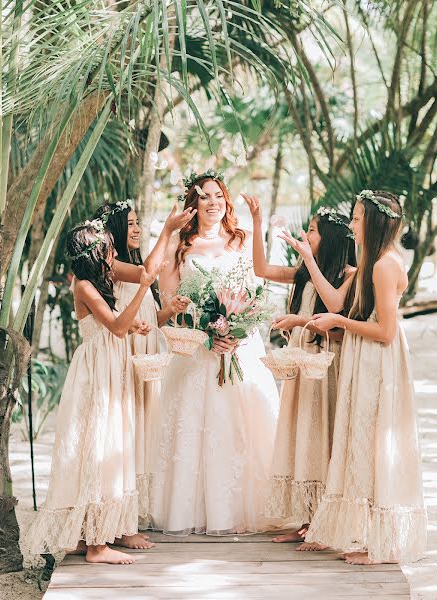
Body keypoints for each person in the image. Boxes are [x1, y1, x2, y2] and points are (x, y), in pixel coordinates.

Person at [281, 190, 427, 564]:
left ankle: (382, 546)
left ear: (375, 223)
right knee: (363, 444)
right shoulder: (373, 261)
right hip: (367, 357)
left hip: (378, 361)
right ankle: (369, 538)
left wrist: (338, 322)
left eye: (358, 218)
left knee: (375, 444)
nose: (352, 225)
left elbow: (386, 331)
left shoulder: (382, 266)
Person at [149, 171, 280, 535]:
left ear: (226, 201)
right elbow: (171, 302)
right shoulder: (179, 244)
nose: (212, 202)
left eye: (218, 196)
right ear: (194, 203)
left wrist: (235, 331)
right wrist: (206, 332)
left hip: (240, 344)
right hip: (196, 349)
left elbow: (256, 290)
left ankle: (243, 508)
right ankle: (196, 511)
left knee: (242, 422)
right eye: (204, 196)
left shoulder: (242, 239)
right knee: (197, 424)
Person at [28, 221, 160, 564]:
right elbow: (114, 328)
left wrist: (135, 324)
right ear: (97, 253)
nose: (115, 254)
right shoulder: (84, 285)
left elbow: (114, 323)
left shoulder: (99, 284)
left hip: (107, 367)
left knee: (99, 446)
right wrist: (143, 290)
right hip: (95, 375)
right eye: (110, 249)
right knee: (97, 446)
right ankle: (97, 547)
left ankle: (85, 534)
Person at [244, 195, 356, 549]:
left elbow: (340, 326)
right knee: (302, 438)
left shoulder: (349, 276)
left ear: (332, 240)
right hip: (299, 365)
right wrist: (257, 221)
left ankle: (324, 525)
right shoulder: (304, 274)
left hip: (326, 368)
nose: (306, 235)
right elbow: (261, 270)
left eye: (312, 230)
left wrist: (299, 321)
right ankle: (307, 521)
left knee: (323, 438)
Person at [93, 201, 194, 525]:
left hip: (147, 350)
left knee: (144, 429)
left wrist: (169, 311)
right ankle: (123, 518)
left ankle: (133, 514)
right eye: (132, 224)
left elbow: (150, 314)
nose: (136, 230)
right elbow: (146, 274)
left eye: (139, 224)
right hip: (128, 355)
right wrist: (167, 229)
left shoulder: (132, 262)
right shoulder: (114, 266)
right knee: (130, 429)